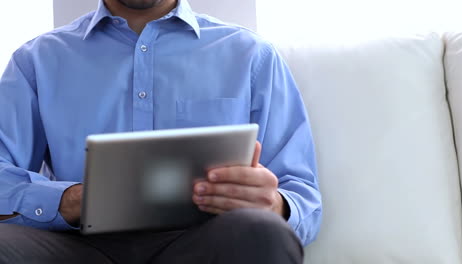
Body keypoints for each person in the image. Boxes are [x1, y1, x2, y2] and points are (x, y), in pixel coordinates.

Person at [0, 0, 322, 263]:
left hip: (205, 243)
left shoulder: (252, 56)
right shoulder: (36, 61)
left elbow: (304, 198)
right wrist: (70, 201)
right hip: (77, 246)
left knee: (263, 231)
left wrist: (275, 205)